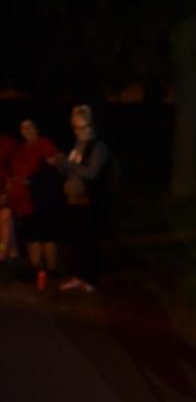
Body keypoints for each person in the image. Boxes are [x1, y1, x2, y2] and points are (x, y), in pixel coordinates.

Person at [50, 105, 111, 292]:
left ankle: (90, 279)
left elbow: (91, 173)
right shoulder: (77, 146)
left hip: (89, 201)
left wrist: (66, 164)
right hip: (73, 200)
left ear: (91, 125)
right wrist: (59, 164)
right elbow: (71, 171)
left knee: (88, 241)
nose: (81, 131)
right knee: (75, 241)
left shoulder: (98, 146)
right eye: (76, 127)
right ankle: (77, 276)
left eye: (84, 127)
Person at [6, 119, 61, 279]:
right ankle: (36, 268)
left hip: (42, 198)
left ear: (36, 128)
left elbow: (52, 171)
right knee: (31, 235)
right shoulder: (20, 149)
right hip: (24, 201)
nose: (26, 130)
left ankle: (52, 268)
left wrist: (31, 181)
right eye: (23, 127)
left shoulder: (45, 144)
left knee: (47, 235)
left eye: (30, 126)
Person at [0, 132, 19, 267]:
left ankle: (3, 257)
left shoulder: (7, 143)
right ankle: (11, 256)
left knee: (6, 220)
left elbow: (14, 169)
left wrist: (7, 192)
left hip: (5, 193)